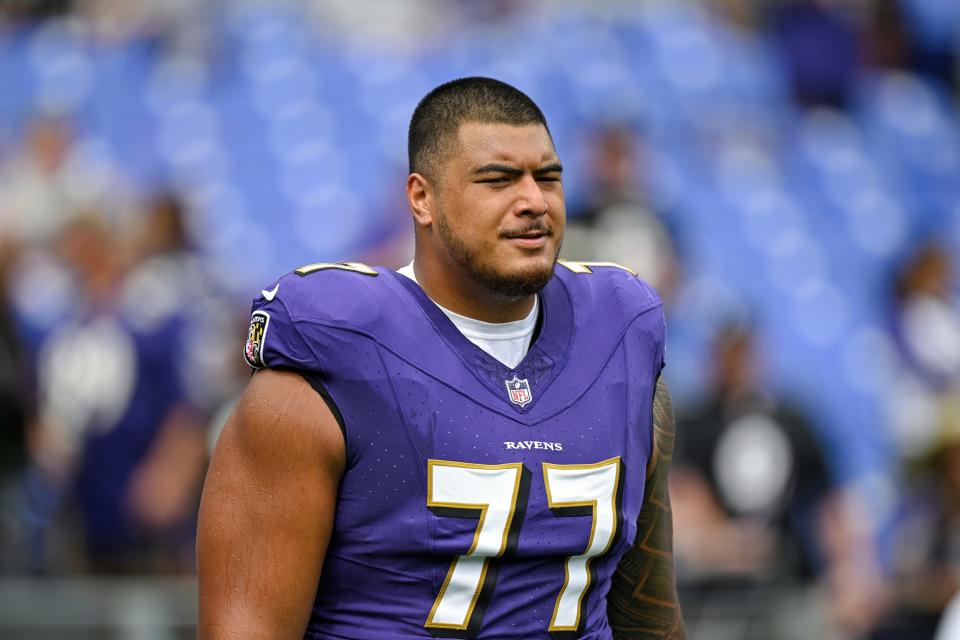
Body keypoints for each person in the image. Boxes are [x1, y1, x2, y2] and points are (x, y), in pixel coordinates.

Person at [197, 77, 685, 639]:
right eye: (497, 179)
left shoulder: (618, 340)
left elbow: (648, 613)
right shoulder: (328, 371)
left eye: (548, 177)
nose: (533, 201)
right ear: (421, 198)